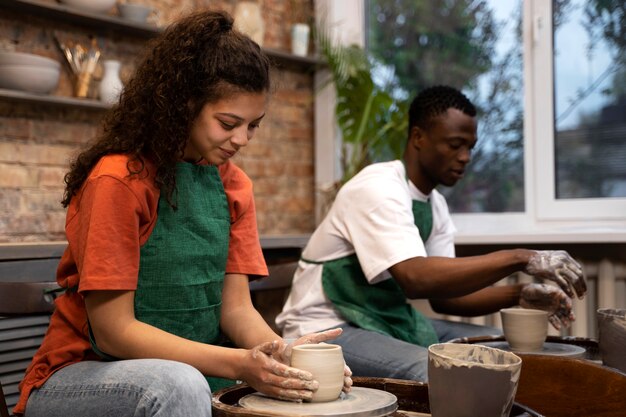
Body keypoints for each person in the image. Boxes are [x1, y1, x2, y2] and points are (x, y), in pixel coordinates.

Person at [15, 10, 351, 417]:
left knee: (290, 390)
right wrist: (237, 363)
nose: (242, 139)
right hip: (84, 374)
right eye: (229, 123)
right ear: (184, 104)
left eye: (253, 126)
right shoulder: (119, 180)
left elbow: (236, 310)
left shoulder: (233, 184)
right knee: (180, 384)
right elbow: (114, 331)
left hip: (192, 370)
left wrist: (284, 357)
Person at [276, 85, 587, 382]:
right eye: (455, 145)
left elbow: (444, 298)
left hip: (384, 320)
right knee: (441, 372)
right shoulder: (378, 187)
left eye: (470, 147)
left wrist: (518, 295)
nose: (465, 156)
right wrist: (521, 258)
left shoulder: (434, 204)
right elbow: (416, 278)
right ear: (418, 137)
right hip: (325, 328)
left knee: (500, 354)